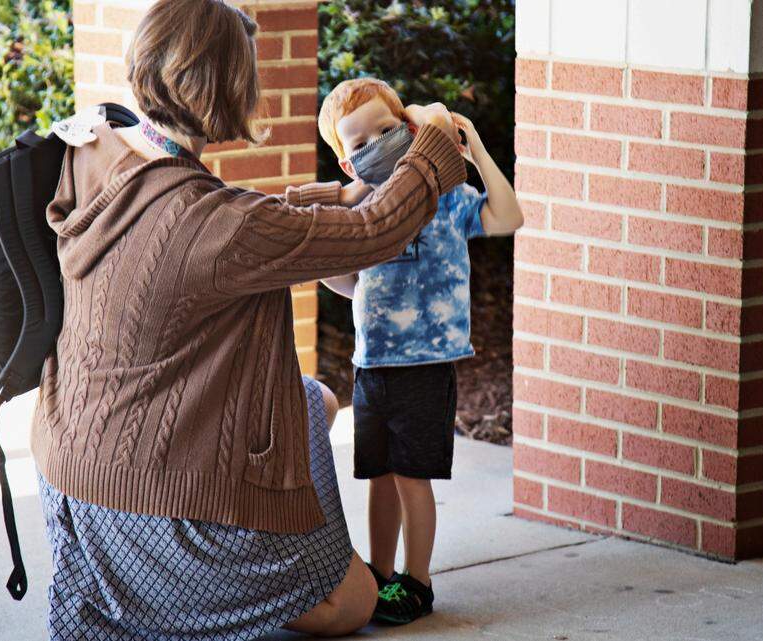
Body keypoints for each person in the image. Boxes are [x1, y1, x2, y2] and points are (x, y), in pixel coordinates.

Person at [29, 1, 469, 639]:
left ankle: (263, 553)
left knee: (311, 403)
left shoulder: (97, 147)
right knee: (354, 604)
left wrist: (332, 195)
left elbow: (239, 226)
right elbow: (378, 232)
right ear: (230, 85)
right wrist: (428, 145)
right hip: (159, 511)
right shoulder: (217, 225)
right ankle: (216, 583)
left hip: (72, 478)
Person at [309, 78, 523, 624]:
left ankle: (418, 581)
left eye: (387, 129)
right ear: (345, 162)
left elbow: (507, 216)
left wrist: (470, 145)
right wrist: (358, 290)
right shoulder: (364, 206)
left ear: (409, 129)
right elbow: (338, 271)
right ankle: (380, 577)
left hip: (426, 366)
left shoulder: (443, 198)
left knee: (411, 477)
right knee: (378, 475)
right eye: (359, 142)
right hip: (373, 365)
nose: (376, 143)